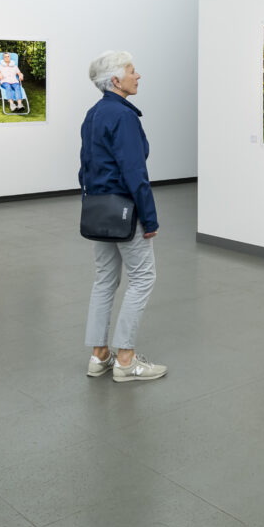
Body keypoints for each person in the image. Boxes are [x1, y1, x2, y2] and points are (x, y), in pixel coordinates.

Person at [80, 50, 167, 382]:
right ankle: (126, 360)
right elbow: (135, 173)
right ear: (116, 80)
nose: (138, 75)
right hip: (125, 211)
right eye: (132, 71)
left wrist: (91, 202)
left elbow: (84, 167)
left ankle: (98, 355)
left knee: (104, 280)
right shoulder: (124, 117)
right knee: (143, 278)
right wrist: (150, 219)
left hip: (98, 210)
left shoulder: (93, 114)